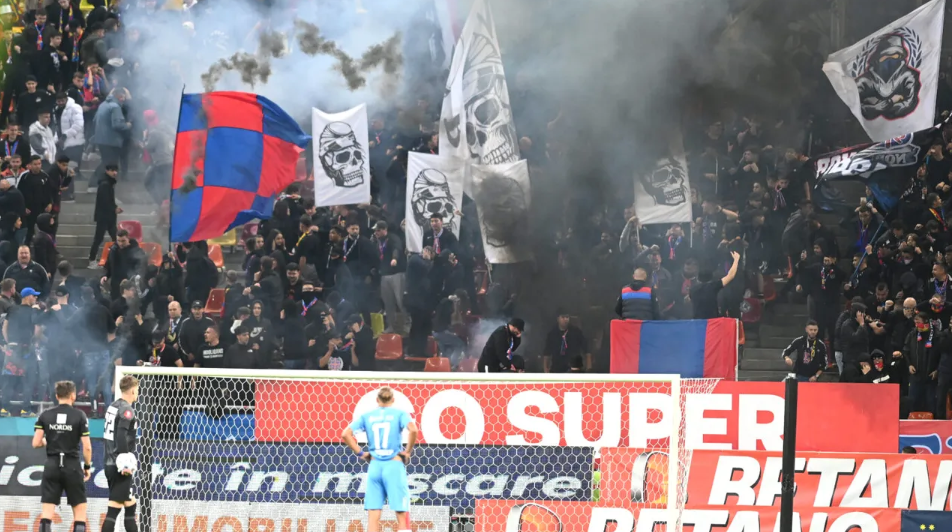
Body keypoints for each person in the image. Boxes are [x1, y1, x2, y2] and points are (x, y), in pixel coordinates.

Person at [341, 387, 418, 532]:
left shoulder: (367, 416)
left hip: (375, 467)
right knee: (401, 514)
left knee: (373, 515)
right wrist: (407, 451)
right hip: (394, 466)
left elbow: (345, 434)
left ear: (377, 400)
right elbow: (413, 430)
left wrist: (361, 453)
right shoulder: (400, 414)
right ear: (393, 400)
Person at [33, 381, 92, 532]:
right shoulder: (80, 415)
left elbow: (36, 443)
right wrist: (87, 466)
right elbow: (87, 447)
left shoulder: (45, 415)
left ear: (57, 396)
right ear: (73, 395)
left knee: (46, 515)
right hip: (72, 466)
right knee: (80, 513)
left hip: (52, 465)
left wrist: (50, 440)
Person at [102, 375, 139, 532]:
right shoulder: (127, 410)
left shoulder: (113, 406)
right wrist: (125, 463)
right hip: (120, 466)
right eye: (137, 390)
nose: (137, 393)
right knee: (114, 509)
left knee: (130, 504)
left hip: (109, 462)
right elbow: (120, 435)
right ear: (132, 390)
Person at [88, 164, 119, 268]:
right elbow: (104, 201)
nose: (115, 173)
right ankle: (92, 260)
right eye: (112, 170)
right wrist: (114, 208)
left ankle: (118, 258)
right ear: (107, 171)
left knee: (116, 238)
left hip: (109, 217)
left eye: (116, 170)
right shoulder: (105, 184)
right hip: (104, 217)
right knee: (98, 238)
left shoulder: (109, 183)